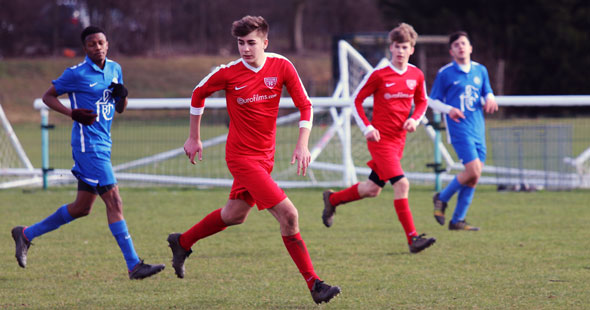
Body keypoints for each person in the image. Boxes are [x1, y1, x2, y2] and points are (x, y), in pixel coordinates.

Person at [167, 16, 340, 304]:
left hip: (265, 158)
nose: (245, 49)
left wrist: (302, 143)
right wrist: (194, 137)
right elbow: (198, 94)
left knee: (234, 215)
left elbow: (305, 105)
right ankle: (315, 284)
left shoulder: (281, 66)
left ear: (265, 42)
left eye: (251, 42)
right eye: (240, 43)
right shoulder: (228, 73)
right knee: (290, 215)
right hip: (240, 158)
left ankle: (182, 242)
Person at [11, 26, 165, 279]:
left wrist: (123, 97)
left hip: (104, 143)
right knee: (114, 200)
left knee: (82, 208)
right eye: (92, 44)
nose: (98, 47)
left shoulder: (115, 69)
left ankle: (26, 234)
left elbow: (121, 108)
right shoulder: (76, 74)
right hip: (88, 147)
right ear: (85, 48)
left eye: (101, 42)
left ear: (107, 44)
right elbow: (47, 97)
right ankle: (134, 265)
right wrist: (72, 113)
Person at [321, 23, 436, 254]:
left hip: (399, 141)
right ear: (390, 48)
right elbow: (356, 100)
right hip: (380, 141)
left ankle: (332, 200)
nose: (400, 51)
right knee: (402, 184)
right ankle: (412, 238)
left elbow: (423, 101)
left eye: (405, 47)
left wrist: (414, 119)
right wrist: (367, 128)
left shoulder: (416, 75)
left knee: (372, 189)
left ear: (411, 49)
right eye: (396, 46)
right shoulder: (379, 75)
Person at [428, 31, 498, 231]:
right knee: (473, 170)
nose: (461, 47)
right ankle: (441, 198)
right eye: (456, 44)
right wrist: (449, 110)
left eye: (464, 43)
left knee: (474, 176)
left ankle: (457, 220)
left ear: (470, 48)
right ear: (451, 51)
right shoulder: (445, 73)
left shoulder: (480, 70)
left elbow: (487, 91)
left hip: (478, 127)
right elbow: (432, 101)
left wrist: (491, 97)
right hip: (459, 128)